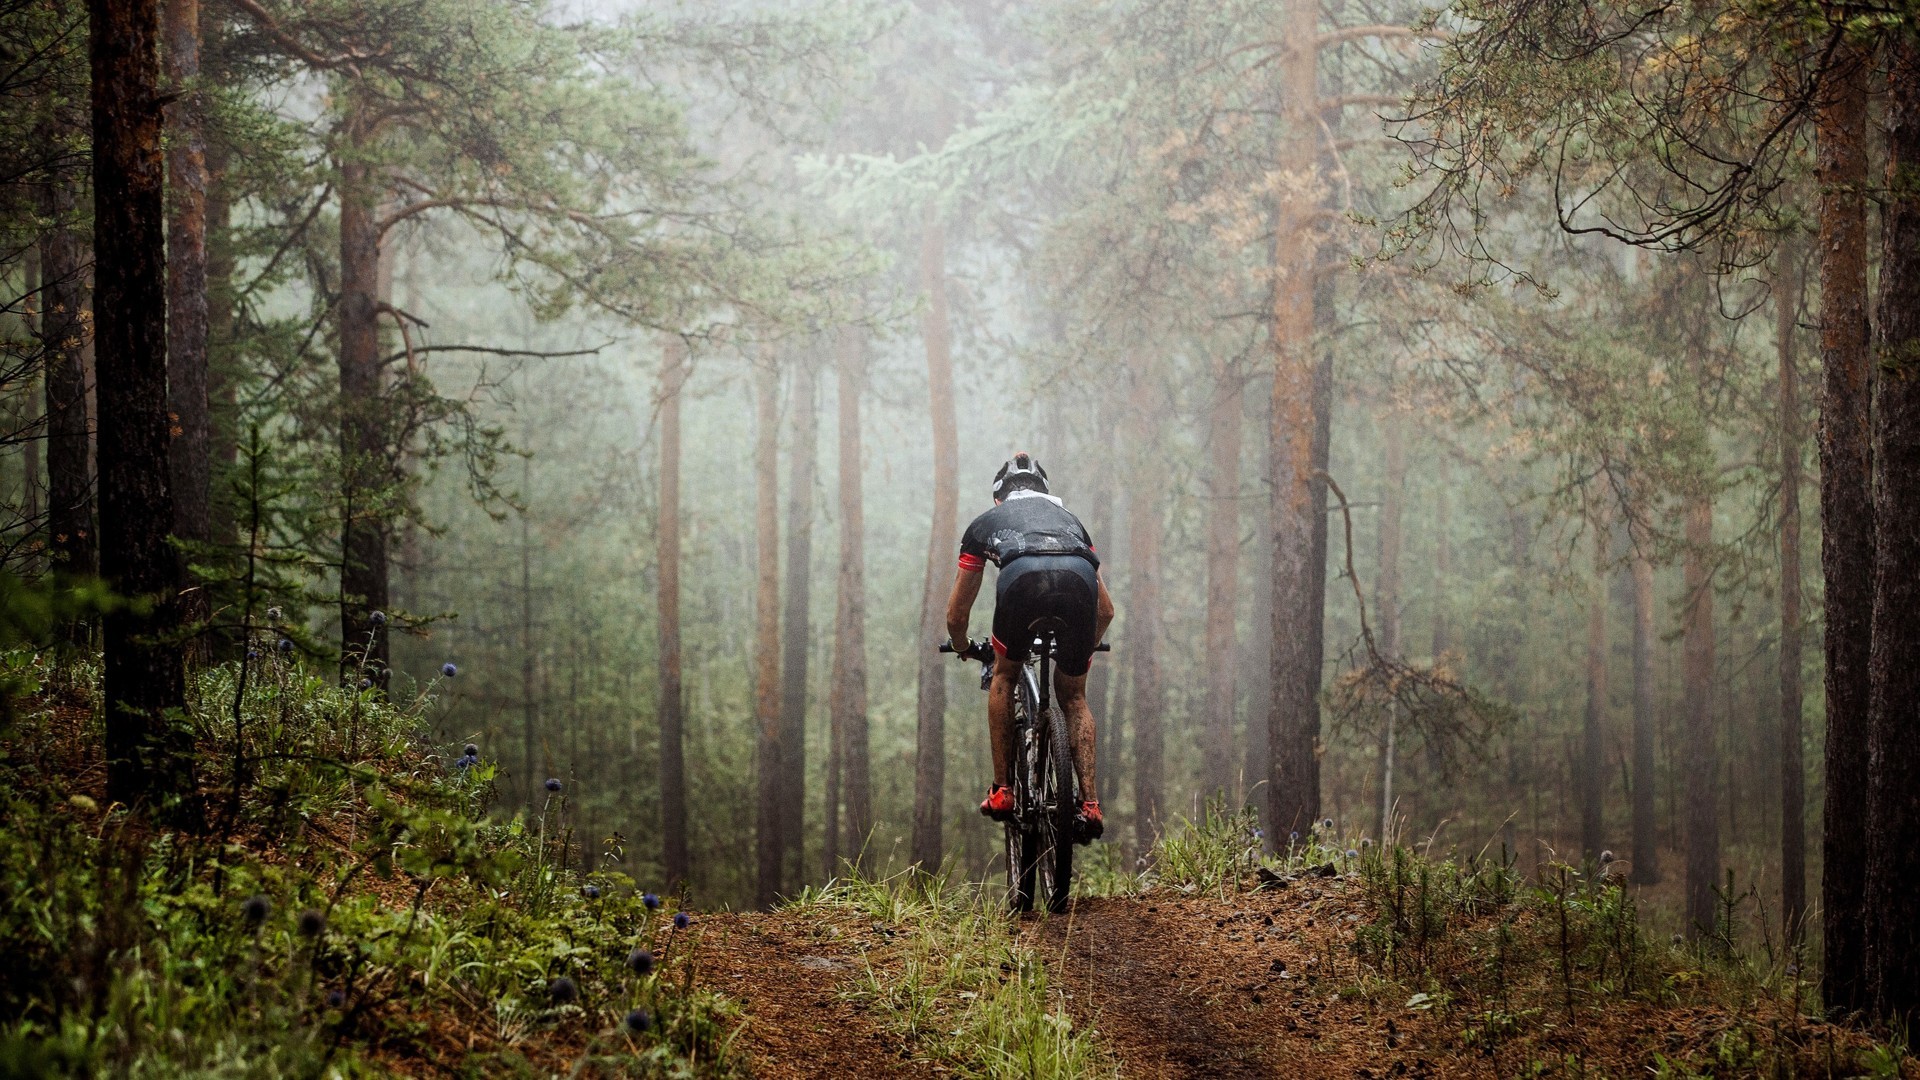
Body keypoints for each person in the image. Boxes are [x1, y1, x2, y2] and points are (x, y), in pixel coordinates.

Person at [945, 453, 1115, 840]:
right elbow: (1105, 610)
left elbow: (957, 615)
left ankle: (1003, 790)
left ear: (998, 497)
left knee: (1005, 675)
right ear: (1045, 493)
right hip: (1079, 583)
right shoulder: (1072, 524)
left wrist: (963, 645)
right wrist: (1080, 648)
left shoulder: (984, 525)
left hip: (1020, 581)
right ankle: (1089, 804)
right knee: (1073, 697)